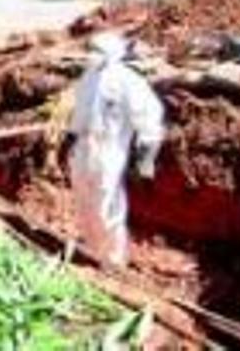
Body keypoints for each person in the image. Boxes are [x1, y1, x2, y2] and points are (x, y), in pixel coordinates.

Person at [63, 32, 164, 267]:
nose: (91, 54)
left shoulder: (127, 81)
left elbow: (149, 116)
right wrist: (71, 138)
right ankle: (93, 250)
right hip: (84, 146)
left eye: (97, 50)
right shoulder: (88, 78)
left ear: (110, 55)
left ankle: (113, 260)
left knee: (107, 203)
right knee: (83, 199)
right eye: (91, 49)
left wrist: (146, 155)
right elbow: (79, 113)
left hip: (109, 149)